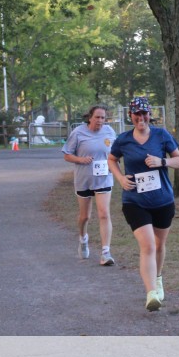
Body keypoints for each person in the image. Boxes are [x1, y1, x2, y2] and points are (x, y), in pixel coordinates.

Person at [108, 96, 179, 311]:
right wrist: (120, 178)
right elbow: (111, 159)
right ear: (130, 116)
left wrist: (162, 161)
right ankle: (151, 294)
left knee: (159, 245)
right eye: (137, 114)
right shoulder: (123, 140)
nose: (141, 118)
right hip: (135, 201)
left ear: (150, 115)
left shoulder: (161, 135)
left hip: (162, 200)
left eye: (144, 113)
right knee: (148, 245)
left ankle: (158, 279)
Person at [62, 105, 117, 265]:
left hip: (103, 177)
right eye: (97, 117)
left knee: (104, 213)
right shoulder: (78, 132)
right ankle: (83, 238)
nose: (100, 120)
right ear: (90, 118)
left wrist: (115, 162)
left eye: (103, 118)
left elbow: (115, 153)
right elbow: (67, 155)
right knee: (85, 216)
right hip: (84, 179)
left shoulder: (109, 132)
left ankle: (105, 252)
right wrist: (80, 159)